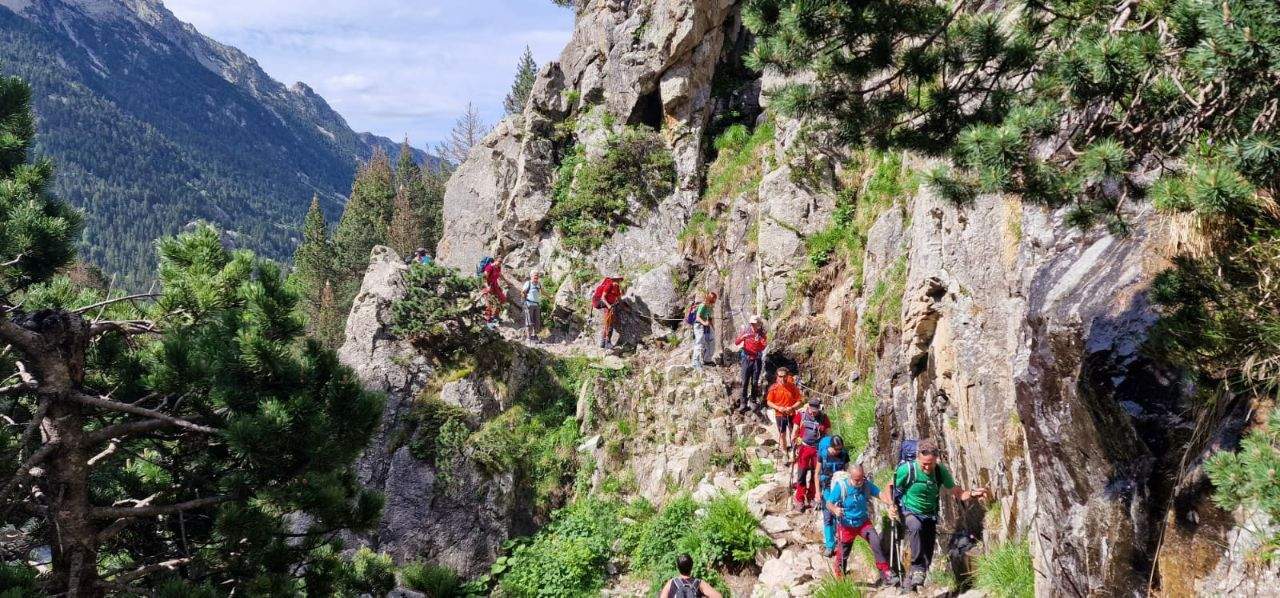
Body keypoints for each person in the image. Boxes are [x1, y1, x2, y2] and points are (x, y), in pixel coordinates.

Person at [887, 438, 989, 590]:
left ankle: (909, 586)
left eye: (931, 463)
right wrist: (891, 505)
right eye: (924, 464)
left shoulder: (940, 471)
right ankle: (916, 567)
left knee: (927, 555)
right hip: (909, 510)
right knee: (915, 527)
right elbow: (889, 487)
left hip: (929, 514)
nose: (928, 467)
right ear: (917, 458)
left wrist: (973, 494)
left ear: (936, 460)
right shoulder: (907, 470)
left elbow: (958, 493)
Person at [826, 464, 897, 585]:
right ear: (850, 476)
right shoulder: (841, 487)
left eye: (861, 478)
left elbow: (879, 494)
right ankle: (840, 578)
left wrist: (890, 504)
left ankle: (886, 573)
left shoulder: (866, 485)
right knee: (843, 554)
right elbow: (829, 503)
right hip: (846, 525)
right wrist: (835, 510)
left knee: (876, 542)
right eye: (856, 480)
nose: (860, 482)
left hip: (863, 522)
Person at [791, 399, 830, 510]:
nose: (813, 413)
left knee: (815, 474)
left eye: (815, 411)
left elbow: (828, 435)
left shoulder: (823, 418)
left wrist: (827, 449)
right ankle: (799, 498)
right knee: (801, 475)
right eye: (811, 410)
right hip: (804, 448)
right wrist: (794, 444)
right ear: (808, 407)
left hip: (817, 450)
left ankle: (812, 496)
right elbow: (794, 432)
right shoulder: (801, 415)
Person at [817, 434, 850, 556]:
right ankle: (830, 545)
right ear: (831, 447)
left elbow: (847, 472)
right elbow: (816, 474)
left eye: (840, 449)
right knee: (827, 517)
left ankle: (839, 539)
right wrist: (817, 492)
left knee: (838, 514)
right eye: (837, 449)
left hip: (839, 488)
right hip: (826, 488)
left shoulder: (844, 455)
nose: (839, 451)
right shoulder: (823, 455)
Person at [732, 315, 768, 413]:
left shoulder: (761, 334)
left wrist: (759, 342)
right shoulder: (745, 331)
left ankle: (753, 400)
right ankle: (743, 402)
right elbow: (736, 342)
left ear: (758, 324)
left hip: (757, 360)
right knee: (744, 382)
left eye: (755, 323)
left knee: (755, 382)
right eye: (752, 323)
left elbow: (764, 346)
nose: (753, 325)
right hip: (746, 359)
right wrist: (743, 337)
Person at [764, 367, 802, 457]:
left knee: (795, 432)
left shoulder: (792, 387)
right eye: (780, 376)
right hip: (779, 414)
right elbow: (769, 402)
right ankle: (784, 451)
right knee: (782, 434)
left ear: (787, 376)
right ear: (777, 376)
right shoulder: (774, 388)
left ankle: (795, 450)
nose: (782, 378)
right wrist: (778, 408)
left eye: (784, 376)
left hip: (792, 413)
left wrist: (792, 407)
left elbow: (799, 400)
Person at [658, 554, 722, 598]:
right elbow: (718, 596)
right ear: (692, 566)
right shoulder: (699, 583)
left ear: (678, 567)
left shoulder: (671, 582)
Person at [592, 275, 624, 349]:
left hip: (609, 304)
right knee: (609, 321)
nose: (617, 282)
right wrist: (609, 306)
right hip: (601, 302)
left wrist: (625, 308)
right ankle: (607, 343)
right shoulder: (609, 285)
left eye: (618, 280)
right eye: (616, 280)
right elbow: (603, 297)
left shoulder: (617, 288)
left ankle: (603, 343)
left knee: (608, 322)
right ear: (613, 280)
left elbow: (620, 300)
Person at [690, 292, 716, 369]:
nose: (714, 302)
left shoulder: (711, 307)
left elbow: (710, 318)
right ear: (709, 299)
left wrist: (713, 328)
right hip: (699, 325)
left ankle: (707, 359)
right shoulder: (703, 305)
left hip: (707, 325)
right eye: (712, 300)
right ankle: (695, 362)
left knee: (712, 340)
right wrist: (704, 323)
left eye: (714, 300)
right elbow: (698, 317)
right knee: (700, 341)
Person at [482, 257, 506, 327]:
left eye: (501, 262)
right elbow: (484, 278)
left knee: (502, 299)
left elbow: (500, 275)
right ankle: (488, 319)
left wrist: (507, 281)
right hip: (488, 286)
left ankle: (495, 315)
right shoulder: (489, 267)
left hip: (495, 285)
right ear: (495, 260)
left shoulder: (498, 267)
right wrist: (487, 286)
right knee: (488, 303)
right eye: (499, 261)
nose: (500, 263)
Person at [522, 270, 543, 342]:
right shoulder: (528, 283)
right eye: (535, 276)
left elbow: (543, 291)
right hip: (529, 304)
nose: (536, 277)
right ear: (531, 276)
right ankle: (528, 337)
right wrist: (524, 301)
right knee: (529, 321)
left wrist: (550, 297)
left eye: (537, 276)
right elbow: (523, 292)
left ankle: (535, 336)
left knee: (537, 321)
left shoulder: (538, 284)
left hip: (536, 305)